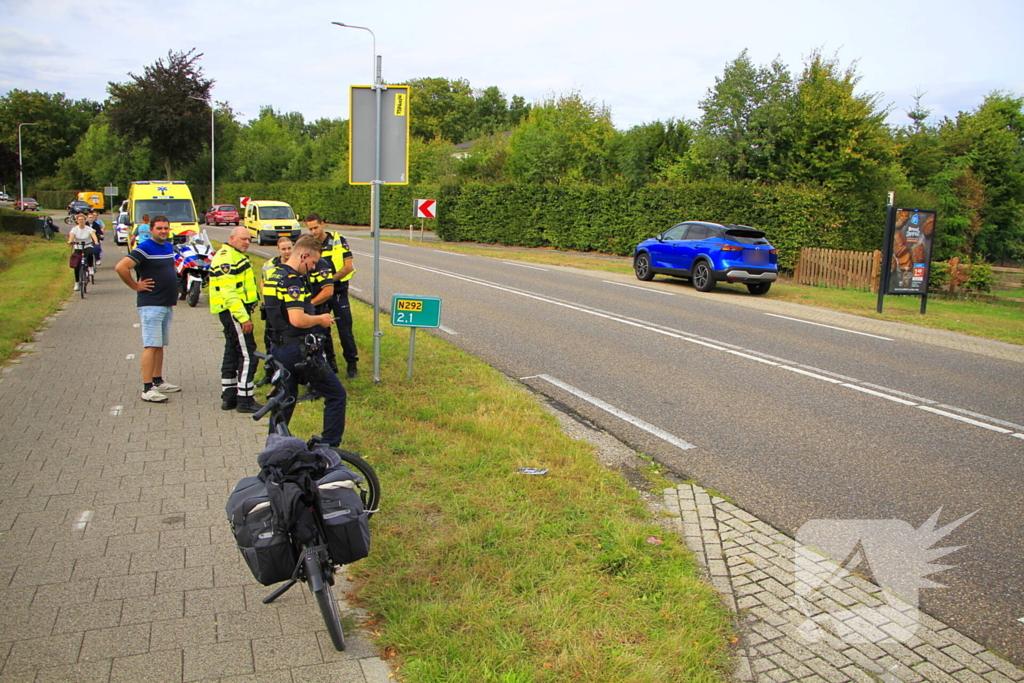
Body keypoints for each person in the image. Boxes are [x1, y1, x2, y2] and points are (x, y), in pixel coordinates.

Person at [263, 235, 347, 446]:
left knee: (285, 401)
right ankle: (329, 446)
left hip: (279, 346)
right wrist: (321, 318)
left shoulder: (273, 274)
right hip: (298, 350)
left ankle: (274, 447)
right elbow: (298, 319)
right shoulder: (292, 280)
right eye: (311, 263)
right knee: (336, 395)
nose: (311, 268)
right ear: (303, 255)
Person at [113, 215, 181, 403]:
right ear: (151, 229)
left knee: (159, 345)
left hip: (166, 303)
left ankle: (158, 380)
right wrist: (135, 285)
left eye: (166, 228)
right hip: (151, 303)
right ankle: (147, 387)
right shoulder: (144, 248)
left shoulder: (167, 246)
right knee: (151, 345)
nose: (163, 231)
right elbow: (121, 267)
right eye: (159, 228)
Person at [209, 226, 262, 413]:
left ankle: (229, 396)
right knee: (249, 355)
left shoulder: (234, 255)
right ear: (232, 238)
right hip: (234, 312)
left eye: (249, 239)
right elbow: (229, 292)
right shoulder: (226, 258)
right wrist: (243, 317)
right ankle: (245, 399)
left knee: (231, 352)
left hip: (233, 311)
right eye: (243, 239)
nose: (247, 242)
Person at [305, 213, 358, 379]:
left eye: (316, 227)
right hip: (319, 293)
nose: (314, 231)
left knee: (345, 329)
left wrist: (328, 281)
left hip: (338, 291)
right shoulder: (309, 244)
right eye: (310, 228)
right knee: (322, 329)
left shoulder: (337, 240)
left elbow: (348, 267)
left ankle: (352, 364)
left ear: (323, 224)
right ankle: (331, 363)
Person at [260, 236, 293, 364]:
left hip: (291, 307)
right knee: (270, 337)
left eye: (289, 248)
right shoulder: (268, 266)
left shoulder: (298, 264)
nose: (287, 251)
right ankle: (270, 369)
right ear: (278, 250)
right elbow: (263, 282)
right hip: (274, 308)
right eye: (283, 249)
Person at [67, 213, 97, 291]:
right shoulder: (75, 229)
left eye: (82, 219)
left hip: (87, 245)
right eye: (79, 220)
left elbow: (93, 235)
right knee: (76, 265)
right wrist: (70, 241)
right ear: (77, 221)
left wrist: (96, 241)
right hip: (78, 246)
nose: (81, 221)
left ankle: (90, 267)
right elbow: (71, 235)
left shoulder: (88, 228)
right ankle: (77, 282)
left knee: (90, 253)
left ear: (85, 220)